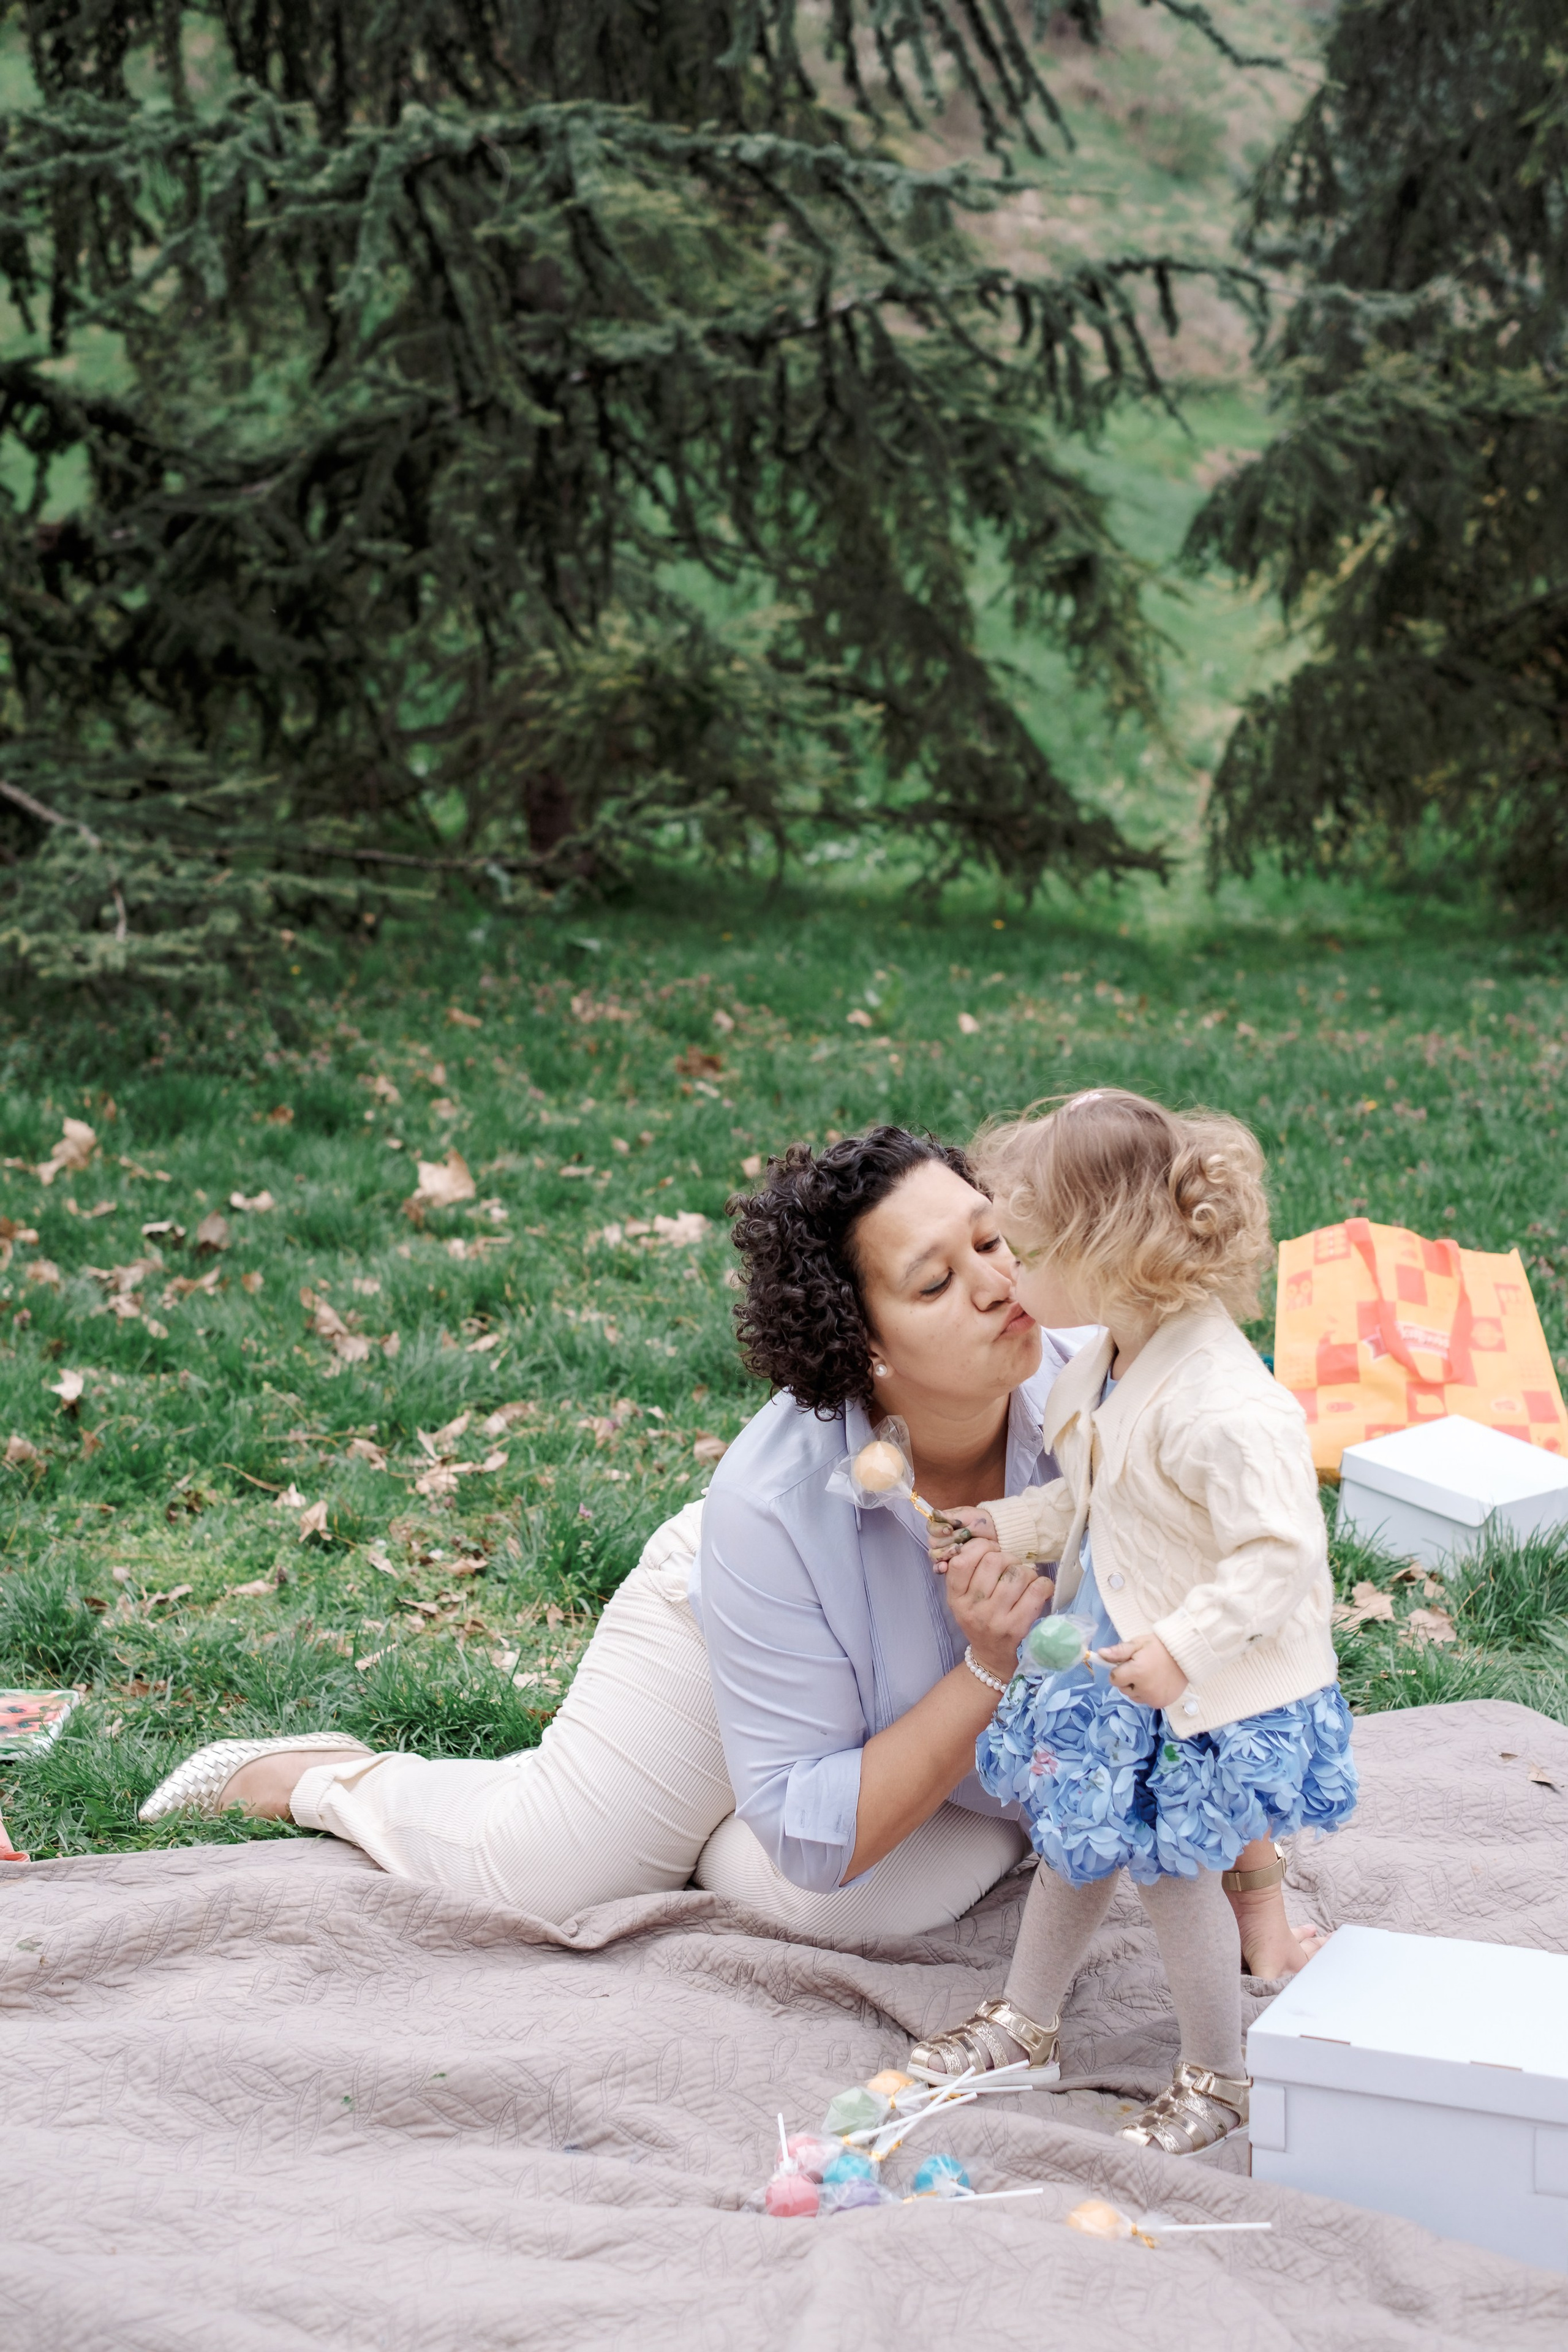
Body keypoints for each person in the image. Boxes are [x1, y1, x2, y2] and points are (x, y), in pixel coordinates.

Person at [137, 1124, 1316, 1963]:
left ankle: (729, 1821)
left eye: (994, 1240)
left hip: (930, 1720)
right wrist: (990, 1668)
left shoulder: (1112, 1394)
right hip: (727, 1638)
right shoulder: (775, 1496)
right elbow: (825, 1822)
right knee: (545, 1875)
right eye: (935, 1282)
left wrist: (1260, 1900)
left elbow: (1215, 1625)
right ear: (866, 1348)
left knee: (850, 1905)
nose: (998, 1284)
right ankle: (325, 1777)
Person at [905, 1090, 1357, 2149]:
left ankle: (1219, 2075)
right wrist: (1005, 1525)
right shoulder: (1105, 1361)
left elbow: (1281, 1552)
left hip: (1191, 1684)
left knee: (1171, 1867)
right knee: (1078, 1843)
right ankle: (1029, 2022)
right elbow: (1101, 1502)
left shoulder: (1224, 1406)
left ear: (1103, 1254)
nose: (1009, 1276)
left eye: (1027, 1254)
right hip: (1110, 1664)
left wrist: (1184, 1648)